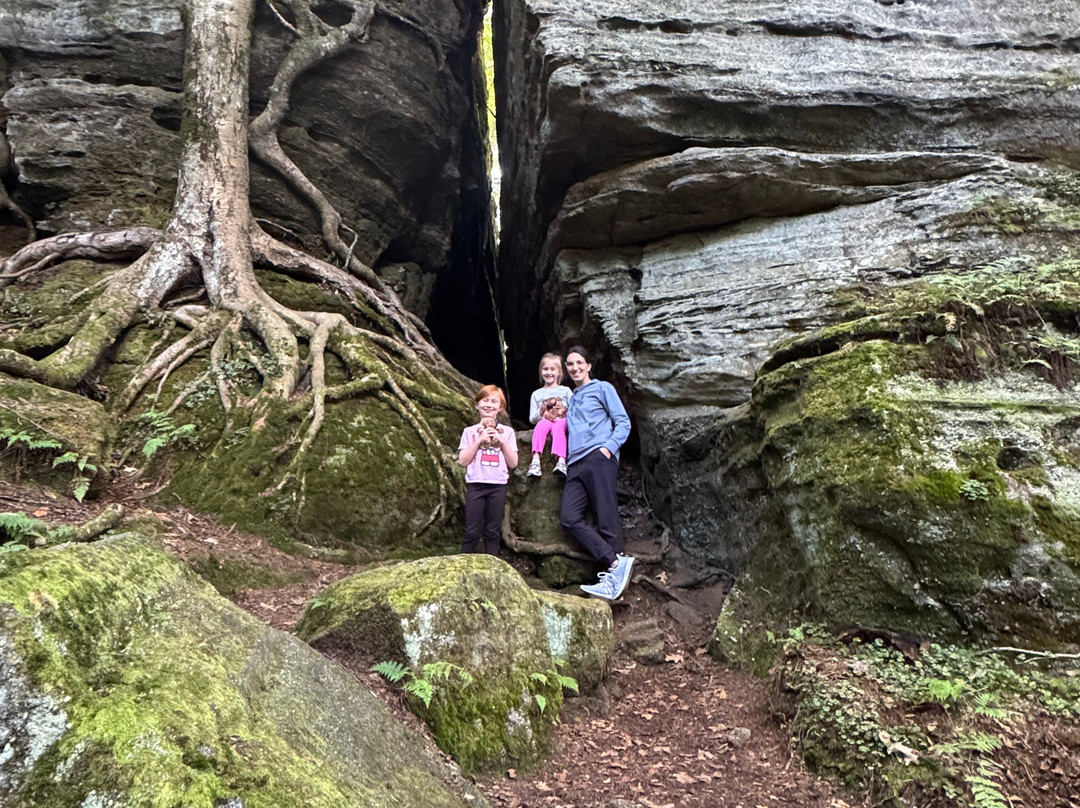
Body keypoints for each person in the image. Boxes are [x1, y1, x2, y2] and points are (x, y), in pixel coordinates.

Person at [559, 346, 634, 600]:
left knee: (605, 513)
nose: (575, 368)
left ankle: (614, 576)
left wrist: (608, 448)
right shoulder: (571, 398)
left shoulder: (602, 388)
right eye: (570, 364)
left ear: (589, 365)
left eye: (579, 362)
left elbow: (623, 421)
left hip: (598, 457)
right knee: (569, 517)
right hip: (575, 463)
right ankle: (616, 563)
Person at [457, 384, 519, 555]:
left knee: (492, 531)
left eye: (494, 402)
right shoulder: (469, 432)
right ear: (477, 404)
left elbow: (513, 462)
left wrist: (502, 441)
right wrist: (478, 440)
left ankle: (494, 566)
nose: (489, 405)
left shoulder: (507, 432)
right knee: (471, 531)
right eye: (485, 400)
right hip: (475, 485)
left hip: (497, 485)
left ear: (500, 408)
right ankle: (463, 565)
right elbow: (463, 461)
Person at [527, 352, 574, 477]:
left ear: (559, 372)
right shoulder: (536, 394)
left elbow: (575, 410)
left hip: (561, 420)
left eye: (553, 369)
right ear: (540, 371)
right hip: (546, 420)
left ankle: (561, 461)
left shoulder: (565, 391)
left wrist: (564, 410)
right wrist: (542, 411)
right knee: (541, 425)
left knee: (558, 427)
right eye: (545, 369)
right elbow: (532, 419)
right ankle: (536, 461)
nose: (549, 372)